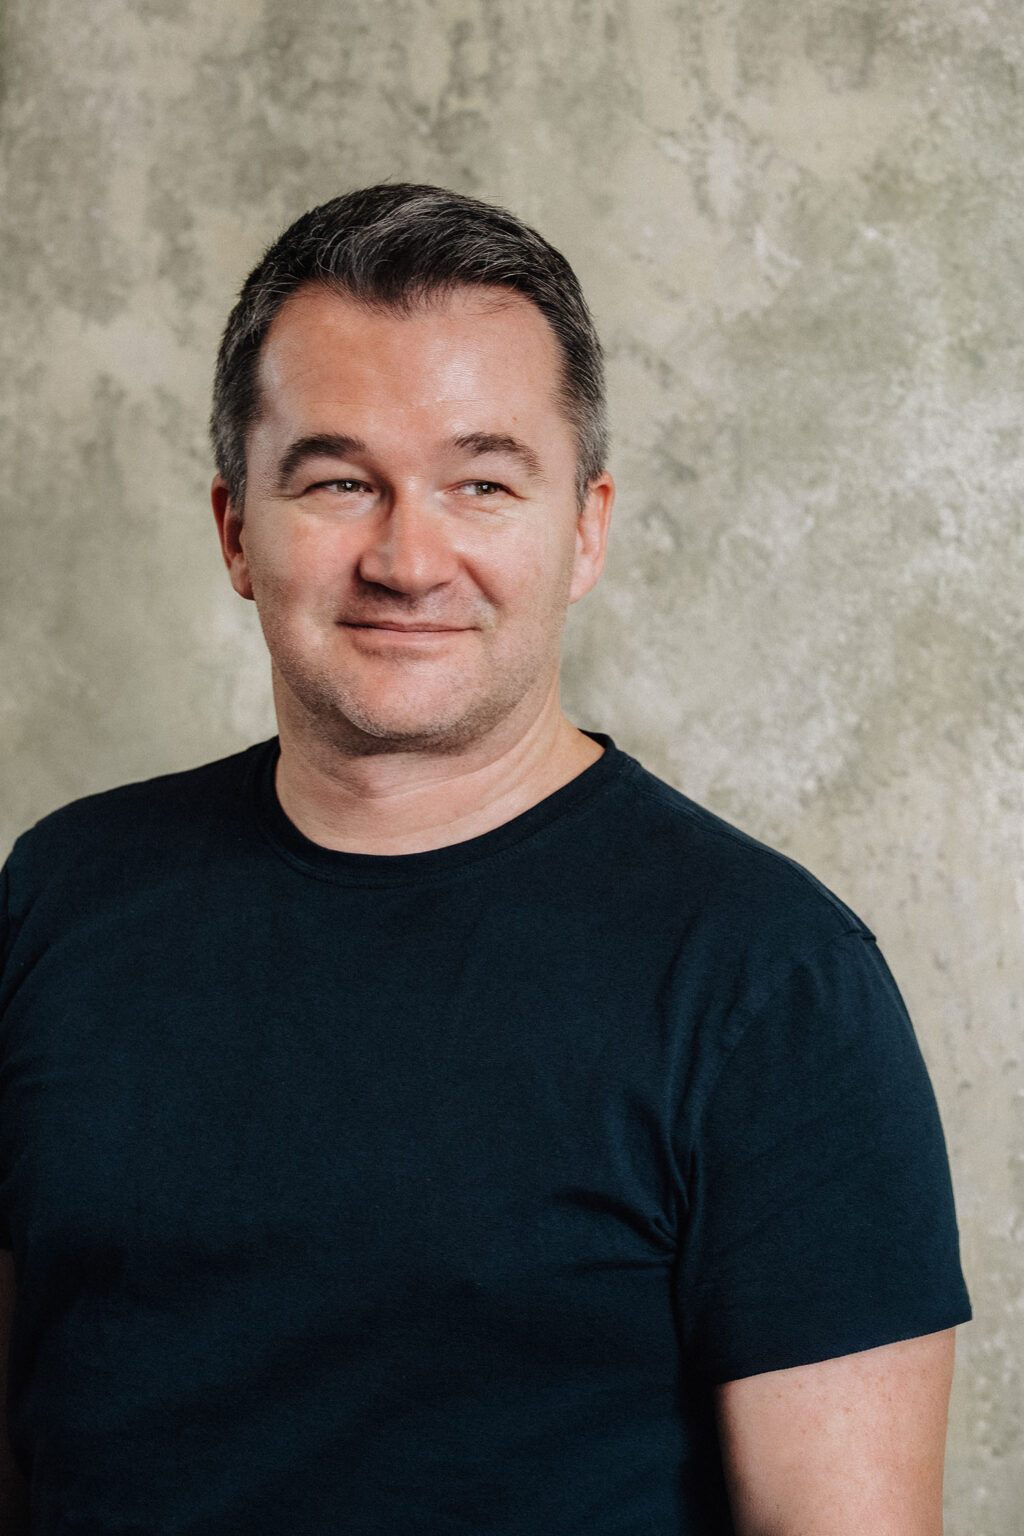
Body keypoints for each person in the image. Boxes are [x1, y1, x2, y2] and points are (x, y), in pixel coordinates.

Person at [0, 183, 970, 1535]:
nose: (409, 558)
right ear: (235, 530)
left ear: (585, 528)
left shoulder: (772, 986)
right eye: (340, 482)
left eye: (483, 484)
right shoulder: (59, 896)